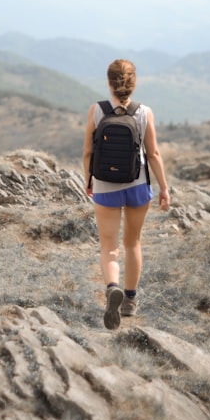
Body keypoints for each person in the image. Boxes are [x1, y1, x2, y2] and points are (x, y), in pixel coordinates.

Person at [82, 59, 170, 330]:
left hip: (106, 186)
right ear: (133, 83)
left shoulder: (97, 111)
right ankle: (130, 301)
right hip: (137, 185)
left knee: (109, 245)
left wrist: (89, 181)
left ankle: (112, 288)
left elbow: (88, 152)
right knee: (133, 243)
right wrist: (164, 187)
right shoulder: (144, 113)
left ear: (109, 83)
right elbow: (153, 154)